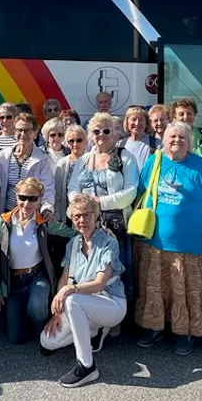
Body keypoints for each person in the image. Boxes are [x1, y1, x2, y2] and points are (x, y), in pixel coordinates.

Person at [135, 121, 202, 356]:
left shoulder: (200, 166)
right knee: (155, 288)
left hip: (187, 243)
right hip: (153, 240)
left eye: (182, 137)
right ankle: (154, 328)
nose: (176, 140)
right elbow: (140, 192)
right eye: (172, 136)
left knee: (185, 290)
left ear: (190, 142)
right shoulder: (154, 161)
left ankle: (184, 331)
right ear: (164, 139)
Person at [40, 194, 127, 387]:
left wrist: (69, 291)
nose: (82, 220)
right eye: (77, 216)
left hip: (111, 304)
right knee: (47, 341)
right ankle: (94, 331)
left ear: (95, 216)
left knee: (72, 300)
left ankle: (87, 366)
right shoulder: (73, 244)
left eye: (87, 215)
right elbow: (65, 279)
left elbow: (99, 284)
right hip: (84, 305)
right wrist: (56, 313)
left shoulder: (108, 242)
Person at [0, 178, 75, 344]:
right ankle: (27, 318)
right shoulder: (3, 222)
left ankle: (42, 330)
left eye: (33, 199)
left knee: (36, 308)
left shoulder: (43, 222)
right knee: (16, 338)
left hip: (37, 276)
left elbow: (73, 233)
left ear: (40, 199)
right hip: (13, 282)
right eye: (22, 197)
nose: (26, 203)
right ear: (16, 196)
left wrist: (99, 234)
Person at [68, 113, 139, 302]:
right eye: (96, 131)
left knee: (114, 271)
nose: (101, 135)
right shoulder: (83, 159)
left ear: (115, 134)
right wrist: (81, 204)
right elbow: (73, 188)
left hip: (114, 226)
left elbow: (131, 191)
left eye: (106, 130)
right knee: (88, 268)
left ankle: (117, 317)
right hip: (87, 224)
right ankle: (90, 312)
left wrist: (99, 202)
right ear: (91, 134)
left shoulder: (125, 157)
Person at [0, 113, 55, 219]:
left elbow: (48, 188)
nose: (23, 134)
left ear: (35, 133)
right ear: (14, 131)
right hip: (8, 213)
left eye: (27, 130)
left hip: (31, 213)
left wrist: (47, 208)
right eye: (19, 130)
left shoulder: (42, 159)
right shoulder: (4, 156)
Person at [53, 124, 87, 226]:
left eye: (79, 140)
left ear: (85, 141)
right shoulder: (62, 163)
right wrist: (58, 216)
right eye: (71, 141)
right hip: (68, 214)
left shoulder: (91, 160)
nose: (75, 144)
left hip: (88, 212)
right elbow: (58, 192)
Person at [119, 106, 160, 170]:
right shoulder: (119, 145)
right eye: (133, 119)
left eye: (141, 119)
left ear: (146, 123)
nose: (137, 123)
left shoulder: (157, 145)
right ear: (127, 122)